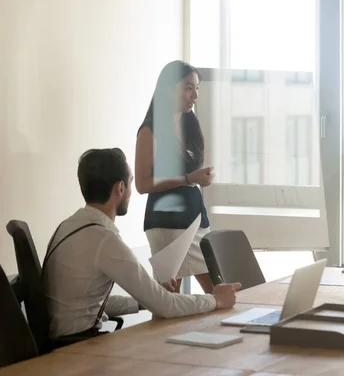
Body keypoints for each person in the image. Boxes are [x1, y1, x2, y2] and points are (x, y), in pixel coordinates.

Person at [43, 148, 241, 340]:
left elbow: (86, 304)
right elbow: (165, 306)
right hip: (78, 348)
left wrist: (145, 299)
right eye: (130, 183)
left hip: (64, 341)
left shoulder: (70, 226)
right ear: (120, 188)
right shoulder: (104, 239)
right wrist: (216, 300)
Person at [136, 60, 215, 294]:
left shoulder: (190, 125)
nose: (194, 95)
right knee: (168, 300)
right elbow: (142, 184)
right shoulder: (150, 130)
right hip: (166, 222)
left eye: (196, 88)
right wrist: (188, 178)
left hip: (196, 220)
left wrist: (202, 178)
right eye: (188, 87)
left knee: (218, 291)